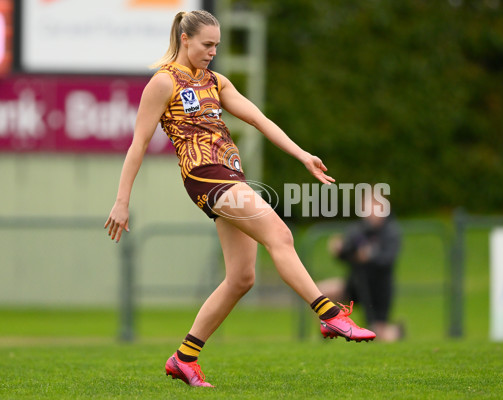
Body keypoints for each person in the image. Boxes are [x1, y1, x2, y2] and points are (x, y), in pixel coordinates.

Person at [104, 10, 375, 388]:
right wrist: (122, 200)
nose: (213, 51)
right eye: (206, 44)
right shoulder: (163, 82)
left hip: (230, 176)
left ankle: (184, 358)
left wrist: (302, 155)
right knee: (280, 236)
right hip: (205, 176)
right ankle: (329, 314)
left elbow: (259, 120)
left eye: (216, 45)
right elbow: (138, 145)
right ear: (185, 39)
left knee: (241, 277)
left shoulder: (216, 81)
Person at [318, 190, 403, 342]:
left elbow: (387, 259)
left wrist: (370, 256)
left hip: (378, 291)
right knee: (319, 293)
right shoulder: (358, 229)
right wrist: (338, 249)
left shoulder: (390, 231)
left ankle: (396, 330)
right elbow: (347, 252)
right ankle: (330, 328)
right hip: (355, 285)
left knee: (379, 335)